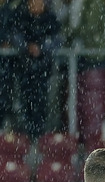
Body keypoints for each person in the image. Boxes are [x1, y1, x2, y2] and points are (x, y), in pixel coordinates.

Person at [11, 0, 61, 138]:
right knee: (25, 102)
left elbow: (57, 39)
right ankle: (27, 137)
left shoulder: (50, 19)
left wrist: (42, 47)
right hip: (25, 68)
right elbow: (15, 36)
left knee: (42, 103)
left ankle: (40, 137)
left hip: (43, 69)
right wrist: (27, 46)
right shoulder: (22, 17)